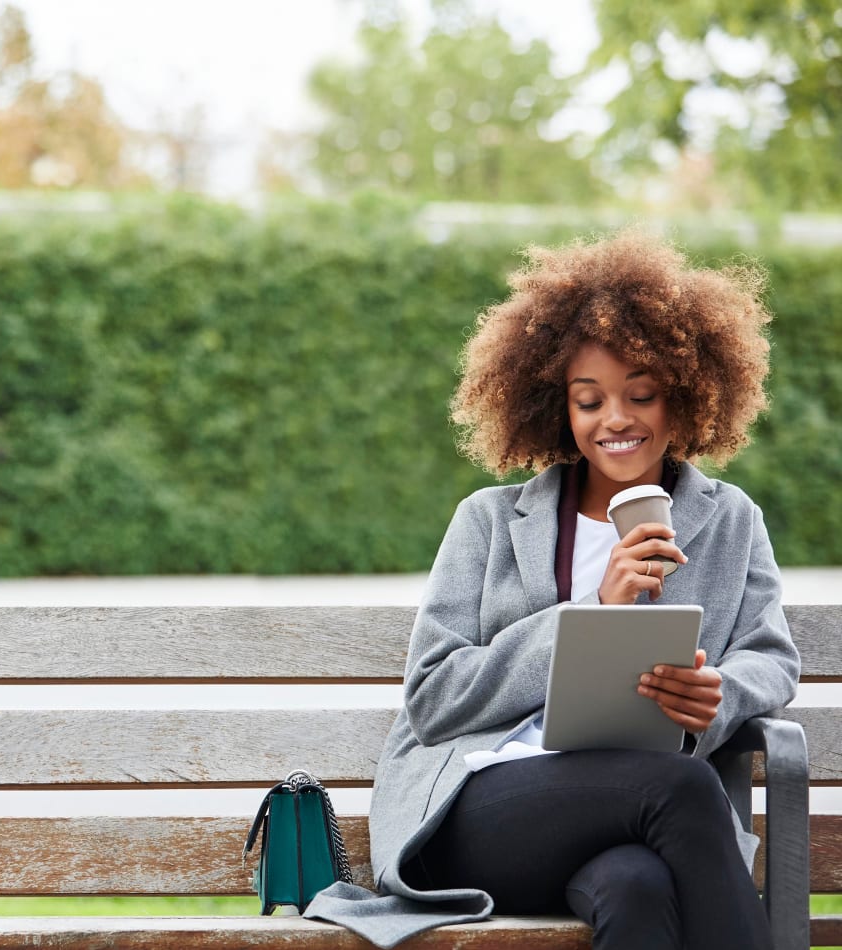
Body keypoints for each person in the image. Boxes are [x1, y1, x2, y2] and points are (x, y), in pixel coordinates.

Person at [305, 230, 801, 949]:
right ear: (558, 409)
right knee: (683, 791)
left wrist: (719, 693)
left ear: (686, 399)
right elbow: (436, 696)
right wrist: (592, 610)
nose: (617, 420)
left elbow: (770, 657)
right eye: (589, 399)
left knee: (638, 888)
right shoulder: (490, 522)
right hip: (483, 807)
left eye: (642, 394)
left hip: (637, 818)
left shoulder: (729, 520)